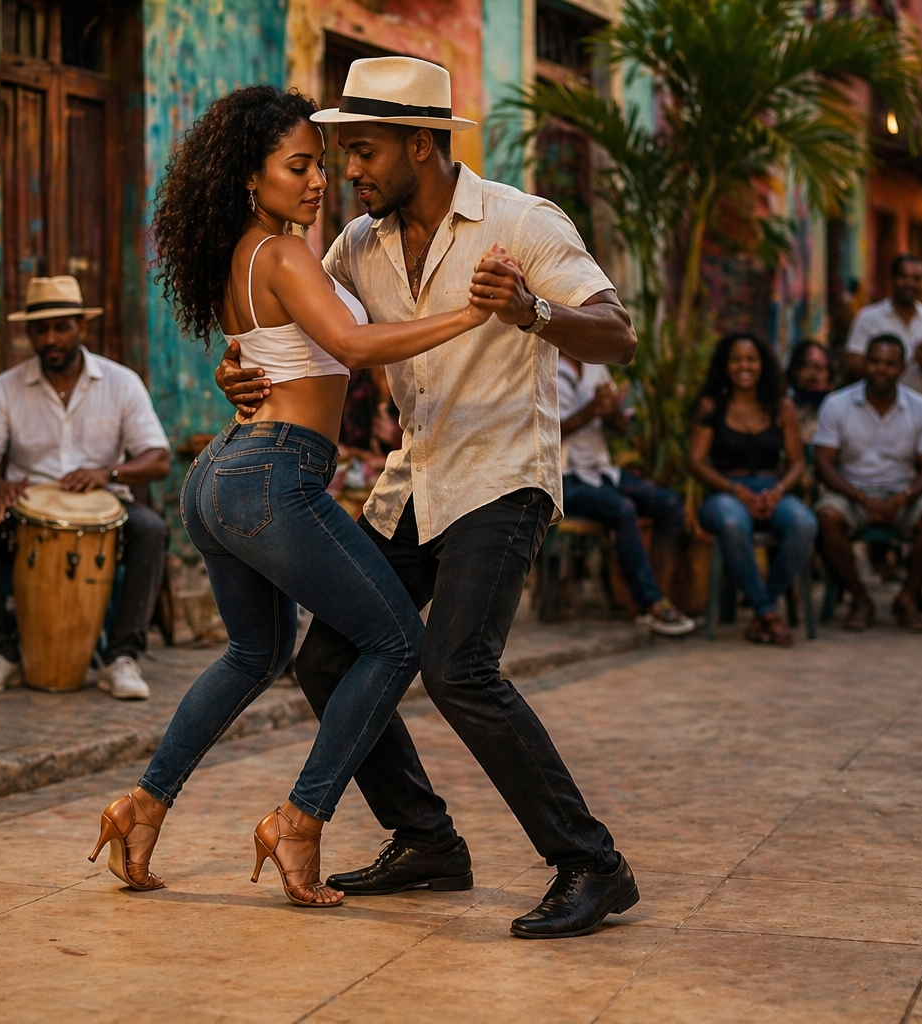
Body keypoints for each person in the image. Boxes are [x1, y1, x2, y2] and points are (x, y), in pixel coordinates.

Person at [217, 57, 640, 939]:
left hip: (501, 474)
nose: (347, 173)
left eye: (364, 151)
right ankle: (427, 841)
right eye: (340, 154)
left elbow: (618, 335)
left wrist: (534, 311)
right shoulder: (357, 246)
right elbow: (303, 321)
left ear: (421, 143)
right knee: (328, 659)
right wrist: (241, 365)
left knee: (456, 665)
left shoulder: (522, 220)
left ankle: (591, 863)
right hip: (413, 478)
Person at [89, 83, 497, 909]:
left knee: (256, 653)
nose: (318, 182)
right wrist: (469, 317)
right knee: (395, 642)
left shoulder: (250, 252)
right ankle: (302, 819)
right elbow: (349, 341)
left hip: (225, 476)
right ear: (252, 174)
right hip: (274, 475)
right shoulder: (282, 254)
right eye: (298, 166)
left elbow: (273, 357)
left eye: (321, 165)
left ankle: (142, 805)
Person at [0, 276, 172, 699]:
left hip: (106, 506)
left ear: (81, 328)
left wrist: (108, 473)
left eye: (61, 327)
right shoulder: (6, 388)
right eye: (40, 329)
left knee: (150, 530)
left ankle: (121, 659)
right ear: (29, 333)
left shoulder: (120, 382)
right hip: (25, 509)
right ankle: (0, 653)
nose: (50, 338)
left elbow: (158, 458)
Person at [813, 335, 922, 631]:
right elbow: (823, 462)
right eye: (874, 361)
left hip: (905, 494)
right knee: (826, 515)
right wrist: (860, 497)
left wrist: (905, 496)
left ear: (902, 368)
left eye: (889, 364)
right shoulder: (837, 404)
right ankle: (860, 598)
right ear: (864, 363)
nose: (881, 369)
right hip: (851, 493)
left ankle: (907, 597)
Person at [687, 333, 818, 645]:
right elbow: (695, 462)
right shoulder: (711, 406)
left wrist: (778, 491)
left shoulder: (781, 406)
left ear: (763, 365)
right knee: (732, 524)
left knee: (804, 524)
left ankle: (763, 609)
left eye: (750, 359)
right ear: (725, 364)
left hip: (771, 490)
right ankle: (768, 613)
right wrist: (735, 489)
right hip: (725, 492)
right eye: (736, 359)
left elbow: (797, 462)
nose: (743, 366)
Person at [558, 354, 694, 635]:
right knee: (623, 509)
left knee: (668, 503)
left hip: (601, 471)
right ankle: (650, 604)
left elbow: (619, 428)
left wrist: (611, 413)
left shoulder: (596, 367)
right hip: (562, 478)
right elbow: (542, 431)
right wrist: (593, 409)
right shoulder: (543, 366)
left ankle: (661, 593)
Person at [844, 254, 922, 400]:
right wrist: (882, 365)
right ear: (892, 279)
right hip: (872, 405)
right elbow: (852, 364)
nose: (910, 283)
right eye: (904, 277)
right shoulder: (868, 317)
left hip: (919, 410)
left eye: (917, 279)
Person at [787, 340, 832, 441]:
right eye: (811, 366)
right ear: (796, 370)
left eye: (822, 368)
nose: (815, 374)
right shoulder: (784, 405)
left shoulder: (834, 407)